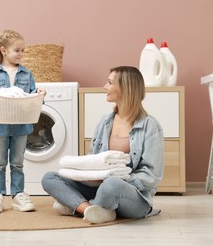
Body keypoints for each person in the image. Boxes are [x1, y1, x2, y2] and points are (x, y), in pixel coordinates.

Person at [41, 66, 164, 224]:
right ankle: (90, 210)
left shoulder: (150, 125)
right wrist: (90, 176)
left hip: (133, 196)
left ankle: (76, 206)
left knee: (111, 184)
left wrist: (119, 178)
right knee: (50, 178)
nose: (105, 86)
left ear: (125, 87)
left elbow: (151, 176)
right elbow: (94, 161)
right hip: (99, 187)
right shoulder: (105, 122)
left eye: (110, 82)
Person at [0, 29, 46, 213]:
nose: (21, 54)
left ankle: (18, 195)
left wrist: (39, 95)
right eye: (17, 50)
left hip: (21, 126)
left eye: (23, 50)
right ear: (3, 50)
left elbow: (31, 98)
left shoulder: (26, 74)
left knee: (17, 163)